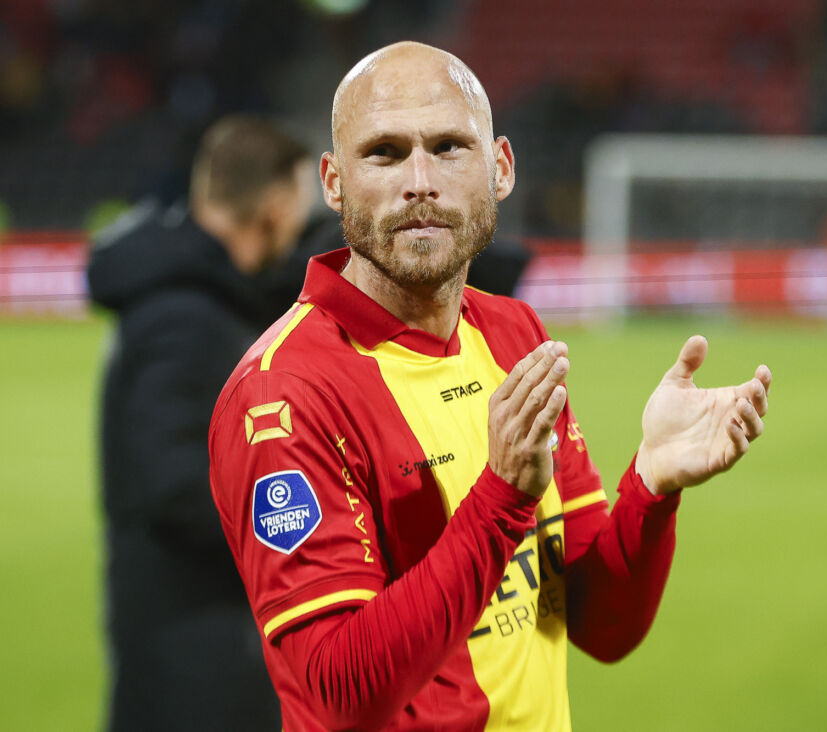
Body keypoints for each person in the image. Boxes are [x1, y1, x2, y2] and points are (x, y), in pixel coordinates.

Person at [207, 42, 772, 732]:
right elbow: (342, 694)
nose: (420, 179)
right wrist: (501, 498)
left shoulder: (514, 333)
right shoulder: (285, 395)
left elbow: (600, 625)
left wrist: (651, 486)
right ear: (333, 182)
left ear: (499, 168)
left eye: (449, 147)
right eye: (384, 153)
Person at [88, 115, 315, 731]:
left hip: (199, 637)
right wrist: (300, 523)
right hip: (193, 654)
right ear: (271, 209)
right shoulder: (183, 319)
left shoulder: (200, 300)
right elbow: (174, 487)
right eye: (294, 211)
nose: (296, 232)